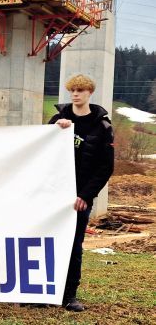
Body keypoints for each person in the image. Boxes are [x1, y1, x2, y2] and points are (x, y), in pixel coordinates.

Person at [49, 74, 114, 312]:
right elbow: (40, 150)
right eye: (72, 91)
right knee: (48, 243)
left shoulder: (102, 126)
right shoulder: (57, 120)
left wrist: (85, 196)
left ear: (89, 93)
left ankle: (69, 295)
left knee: (74, 245)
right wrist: (55, 129)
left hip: (79, 199)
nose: (75, 94)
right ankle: (43, 293)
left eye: (80, 90)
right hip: (53, 195)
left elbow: (105, 167)